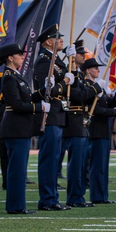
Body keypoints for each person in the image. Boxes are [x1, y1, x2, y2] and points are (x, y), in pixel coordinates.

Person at [0, 43, 45, 214]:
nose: (22, 57)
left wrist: (44, 91)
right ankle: (16, 206)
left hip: (20, 128)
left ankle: (18, 204)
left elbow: (28, 96)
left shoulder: (16, 76)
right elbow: (16, 104)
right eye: (19, 55)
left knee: (19, 168)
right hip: (15, 128)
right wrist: (38, 108)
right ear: (11, 58)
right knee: (17, 170)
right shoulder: (9, 77)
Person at [33, 24, 71, 211]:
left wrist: (71, 62)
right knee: (49, 158)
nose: (62, 40)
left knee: (56, 158)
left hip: (59, 115)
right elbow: (47, 91)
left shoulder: (55, 60)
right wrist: (65, 81)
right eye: (58, 38)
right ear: (49, 41)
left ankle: (52, 197)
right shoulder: (43, 62)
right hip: (50, 116)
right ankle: (47, 199)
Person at [61, 41, 92, 208]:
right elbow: (77, 95)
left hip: (80, 120)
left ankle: (79, 195)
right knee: (75, 163)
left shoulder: (78, 74)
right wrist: (94, 90)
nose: (84, 56)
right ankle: (74, 196)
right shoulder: (70, 74)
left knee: (81, 163)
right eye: (80, 53)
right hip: (73, 121)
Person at [84, 57, 116, 205]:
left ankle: (103, 195)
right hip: (96, 129)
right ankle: (97, 196)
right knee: (97, 165)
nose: (99, 70)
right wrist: (114, 112)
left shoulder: (99, 86)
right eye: (95, 68)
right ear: (88, 70)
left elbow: (107, 103)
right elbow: (96, 110)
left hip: (104, 130)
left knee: (103, 165)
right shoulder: (88, 86)